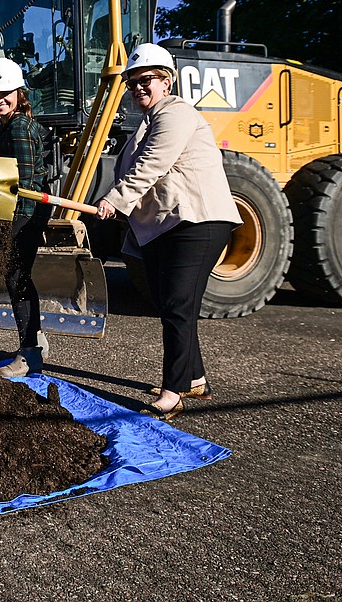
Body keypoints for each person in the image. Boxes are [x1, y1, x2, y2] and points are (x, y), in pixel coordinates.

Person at [95, 43, 241, 420]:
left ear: (167, 81)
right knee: (170, 303)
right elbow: (134, 170)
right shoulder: (144, 124)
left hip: (198, 221)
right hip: (168, 225)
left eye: (146, 80)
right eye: (132, 83)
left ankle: (172, 392)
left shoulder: (176, 114)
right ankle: (194, 379)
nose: (138, 88)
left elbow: (151, 165)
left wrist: (114, 201)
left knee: (177, 305)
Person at [0, 58, 53, 378]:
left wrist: (12, 225)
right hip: (24, 211)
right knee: (18, 277)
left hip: (26, 211)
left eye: (5, 93)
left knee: (17, 279)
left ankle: (29, 355)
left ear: (19, 92)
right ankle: (35, 340)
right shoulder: (12, 125)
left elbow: (25, 182)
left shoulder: (19, 127)